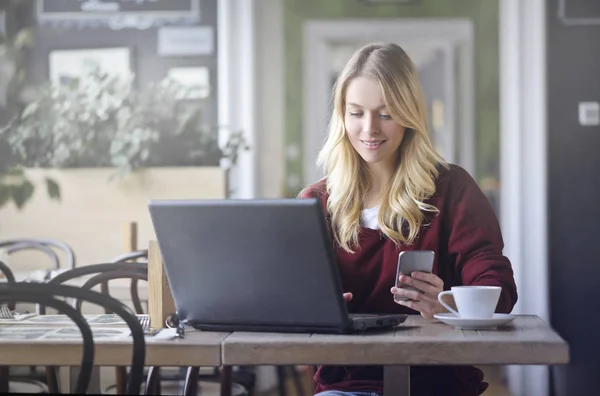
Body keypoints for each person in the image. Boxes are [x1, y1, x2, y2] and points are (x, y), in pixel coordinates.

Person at [298, 42, 518, 396]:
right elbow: (291, 302)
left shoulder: (452, 189)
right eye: (356, 113)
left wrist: (447, 304)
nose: (369, 129)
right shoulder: (316, 202)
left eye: (385, 114)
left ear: (409, 114)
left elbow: (498, 287)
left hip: (437, 384)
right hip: (345, 386)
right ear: (341, 117)